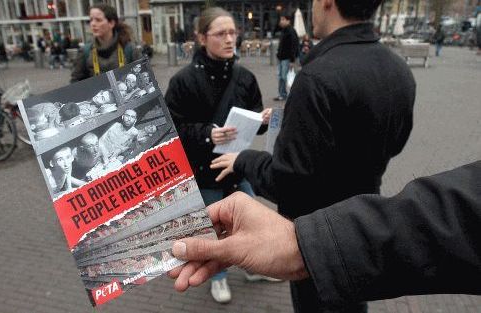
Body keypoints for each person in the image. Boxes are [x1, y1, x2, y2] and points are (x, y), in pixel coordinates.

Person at [210, 0, 415, 312]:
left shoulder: (317, 77)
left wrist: (243, 160)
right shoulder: (399, 70)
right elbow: (397, 143)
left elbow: (288, 179)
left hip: (317, 235)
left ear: (327, 2)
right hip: (364, 220)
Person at [169, 160, 481, 308]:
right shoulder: (397, 69)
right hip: (350, 218)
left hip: (326, 231)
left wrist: (302, 243)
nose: (228, 38)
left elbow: (288, 171)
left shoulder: (314, 77)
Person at [164, 7, 273, 304]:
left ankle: (253, 266)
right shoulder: (183, 81)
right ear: (202, 38)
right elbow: (171, 131)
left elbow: (257, 128)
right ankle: (219, 277)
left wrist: (262, 121)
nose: (229, 40)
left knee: (250, 224)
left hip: (237, 167)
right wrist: (207, 133)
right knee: (214, 231)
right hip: (205, 170)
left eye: (233, 33)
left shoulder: (246, 77)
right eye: (221, 34)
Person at [71, 3, 141, 82]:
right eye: (91, 20)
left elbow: (142, 77)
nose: (93, 24)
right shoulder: (85, 52)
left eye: (98, 20)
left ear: (111, 23)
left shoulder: (129, 49)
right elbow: (75, 83)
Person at [274, 12, 299, 101]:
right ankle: (282, 94)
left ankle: (288, 94)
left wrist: (292, 60)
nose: (281, 21)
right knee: (281, 76)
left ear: (288, 21)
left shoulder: (291, 31)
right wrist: (278, 55)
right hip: (281, 58)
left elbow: (294, 46)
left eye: (283, 19)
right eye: (281, 19)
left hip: (287, 58)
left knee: (285, 77)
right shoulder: (284, 30)